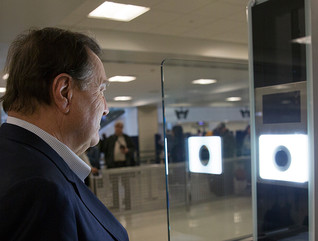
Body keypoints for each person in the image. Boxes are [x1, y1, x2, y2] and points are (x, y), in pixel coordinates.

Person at [0, 28, 129, 241]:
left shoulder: (16, 157)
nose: (106, 108)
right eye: (101, 90)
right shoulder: (40, 190)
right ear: (64, 93)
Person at [102, 121, 135, 210]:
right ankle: (116, 205)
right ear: (115, 128)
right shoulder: (111, 139)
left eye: (120, 127)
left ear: (122, 128)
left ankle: (128, 204)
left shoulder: (127, 138)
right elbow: (105, 150)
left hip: (125, 164)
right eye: (117, 127)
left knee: (126, 185)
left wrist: (127, 151)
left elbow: (133, 149)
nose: (118, 128)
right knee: (114, 186)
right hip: (114, 165)